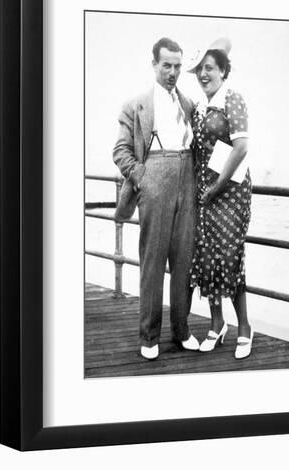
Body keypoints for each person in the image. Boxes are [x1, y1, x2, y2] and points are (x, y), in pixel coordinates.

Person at [113, 37, 199, 360]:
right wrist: (142, 177)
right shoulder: (135, 106)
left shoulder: (188, 104)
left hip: (186, 178)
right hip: (155, 178)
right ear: (154, 65)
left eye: (178, 66)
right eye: (167, 65)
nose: (173, 72)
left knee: (183, 261)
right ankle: (149, 336)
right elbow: (120, 151)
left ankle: (181, 330)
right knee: (152, 261)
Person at [187, 37, 253, 359]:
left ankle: (244, 327)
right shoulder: (199, 107)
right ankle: (216, 324)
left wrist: (217, 187)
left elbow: (241, 148)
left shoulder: (233, 99)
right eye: (199, 69)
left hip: (231, 192)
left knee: (230, 255)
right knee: (206, 255)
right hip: (205, 192)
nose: (203, 74)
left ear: (223, 70)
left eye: (209, 68)